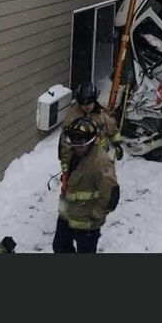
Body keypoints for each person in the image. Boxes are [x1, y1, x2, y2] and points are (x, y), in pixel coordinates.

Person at [52, 116, 120, 253]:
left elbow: (111, 194)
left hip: (87, 224)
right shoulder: (72, 154)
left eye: (82, 145)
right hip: (66, 216)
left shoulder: (100, 161)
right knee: (59, 247)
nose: (78, 148)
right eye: (75, 143)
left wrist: (96, 215)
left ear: (91, 141)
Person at [59, 80, 124, 181]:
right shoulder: (72, 119)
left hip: (101, 155)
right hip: (80, 157)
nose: (88, 106)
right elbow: (65, 146)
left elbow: (111, 127)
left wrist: (117, 143)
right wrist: (66, 169)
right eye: (84, 104)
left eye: (90, 103)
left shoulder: (100, 113)